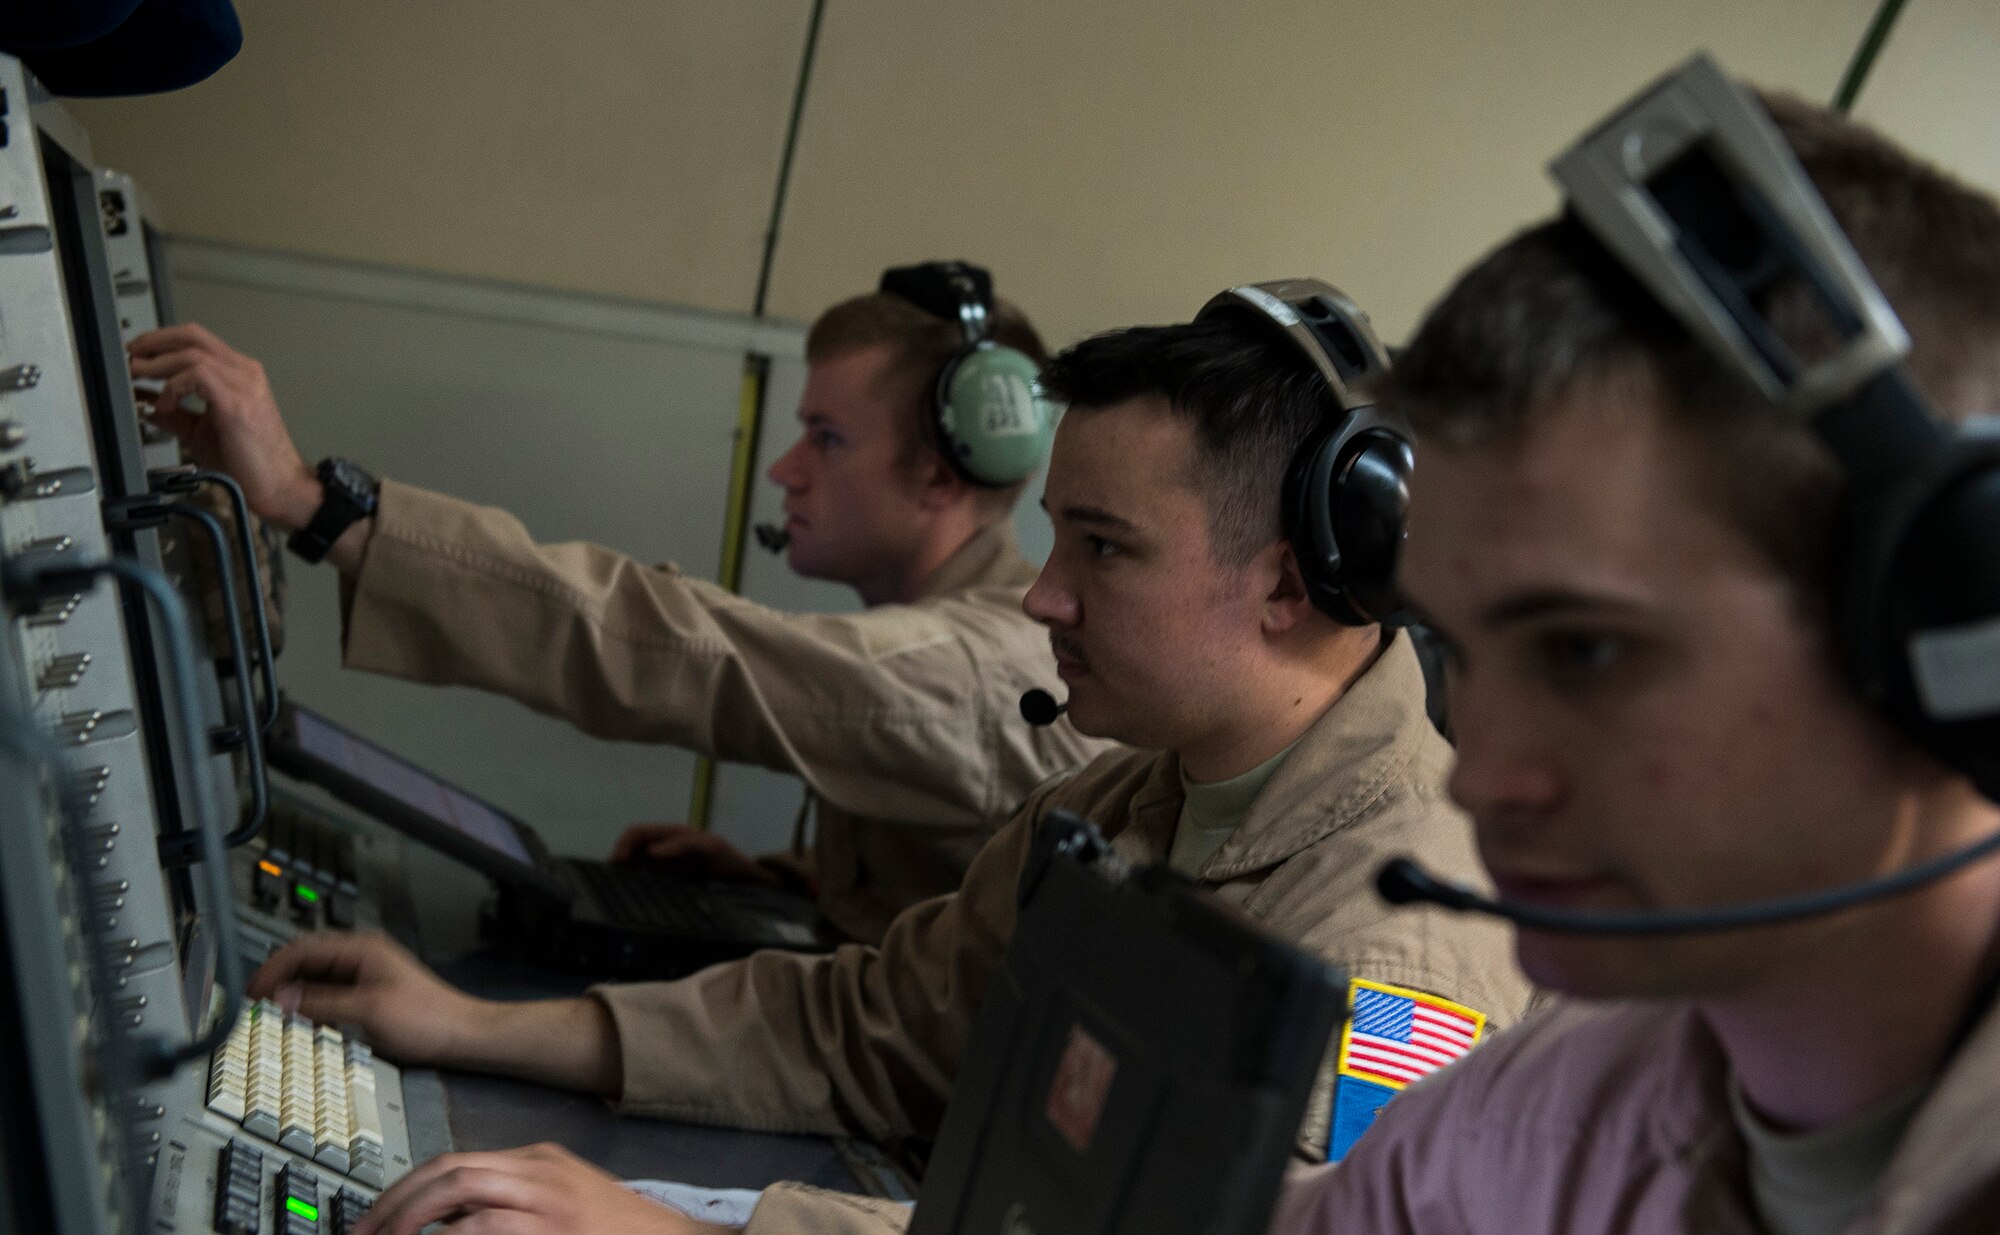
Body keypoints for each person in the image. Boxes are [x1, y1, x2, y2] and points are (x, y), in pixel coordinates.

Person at [282, 307, 1536, 1235]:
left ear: (1288, 575)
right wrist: (473, 1024)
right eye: (1054, 535)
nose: (1043, 593)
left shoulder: (1404, 935)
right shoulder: (1124, 801)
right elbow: (870, 1023)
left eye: (1103, 548)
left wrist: (688, 1231)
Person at [1277, 86, 2000, 1234]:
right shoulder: (1551, 1110)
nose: (1481, 776)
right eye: (1461, 645)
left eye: (1586, 649)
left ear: (1953, 629)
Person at [126, 270, 1111, 942]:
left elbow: (697, 655)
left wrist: (317, 503)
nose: (784, 468)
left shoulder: (982, 666)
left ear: (942, 475)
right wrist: (790, 881)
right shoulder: (965, 644)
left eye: (825, 437)